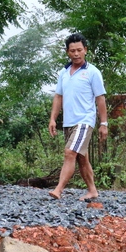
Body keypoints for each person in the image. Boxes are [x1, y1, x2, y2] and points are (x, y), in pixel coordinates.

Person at [48, 33, 109, 201]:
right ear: (68, 52)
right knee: (82, 157)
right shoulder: (64, 72)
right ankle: (92, 190)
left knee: (69, 153)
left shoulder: (92, 72)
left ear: (86, 50)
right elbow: (58, 97)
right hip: (69, 121)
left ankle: (58, 190)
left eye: (79, 50)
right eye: (72, 51)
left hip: (85, 120)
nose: (76, 54)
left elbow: (100, 98)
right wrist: (53, 118)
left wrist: (104, 123)